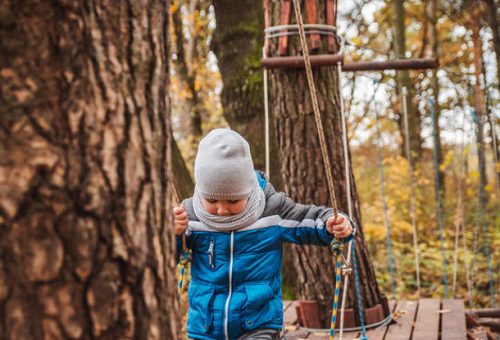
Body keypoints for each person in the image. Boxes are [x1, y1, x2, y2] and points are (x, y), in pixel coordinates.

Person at [174, 129, 355, 340]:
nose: (222, 209)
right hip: (206, 324)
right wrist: (173, 234)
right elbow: (166, 258)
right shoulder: (189, 216)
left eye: (233, 201)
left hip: (258, 322)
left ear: (249, 190)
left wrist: (333, 223)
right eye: (212, 201)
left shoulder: (271, 210)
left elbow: (308, 217)